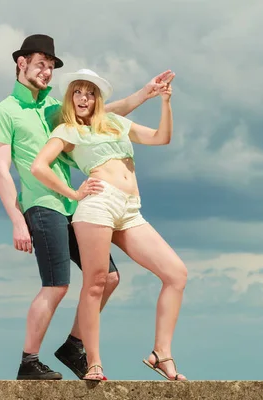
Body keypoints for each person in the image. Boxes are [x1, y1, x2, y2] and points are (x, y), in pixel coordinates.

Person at [0, 34, 175, 380]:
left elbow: (103, 114)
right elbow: (0, 169)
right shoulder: (4, 112)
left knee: (110, 277)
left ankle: (74, 345)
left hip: (78, 204)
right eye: (40, 64)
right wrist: (16, 219)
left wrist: (144, 95)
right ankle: (29, 360)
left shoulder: (53, 108)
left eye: (51, 66)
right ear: (21, 63)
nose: (46, 72)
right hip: (43, 204)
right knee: (57, 284)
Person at [31, 68, 188, 381]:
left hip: (130, 210)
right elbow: (39, 166)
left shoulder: (114, 122)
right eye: (77, 92)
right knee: (96, 283)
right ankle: (94, 363)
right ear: (70, 97)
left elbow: (161, 138)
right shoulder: (67, 130)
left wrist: (165, 103)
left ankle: (161, 353)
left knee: (176, 274)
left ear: (97, 99)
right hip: (98, 206)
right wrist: (74, 193)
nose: (83, 98)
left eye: (90, 93)